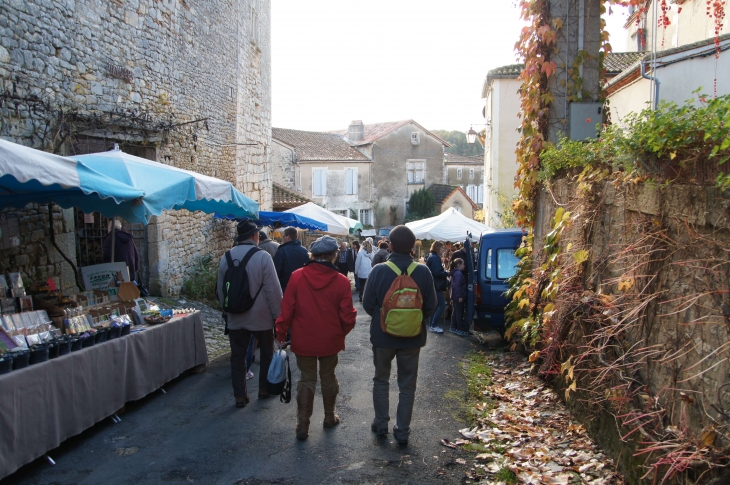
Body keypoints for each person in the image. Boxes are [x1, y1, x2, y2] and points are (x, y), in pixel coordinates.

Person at [275, 235, 357, 440]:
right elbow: (348, 317)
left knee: (307, 379)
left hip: (303, 339)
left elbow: (286, 310)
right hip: (330, 339)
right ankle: (329, 417)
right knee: (328, 376)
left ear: (313, 254)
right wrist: (339, 333)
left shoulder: (296, 276)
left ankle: (303, 425)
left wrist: (281, 334)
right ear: (333, 255)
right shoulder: (341, 281)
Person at [363, 225, 437, 446]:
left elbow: (368, 305)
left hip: (383, 337)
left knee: (381, 379)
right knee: (407, 384)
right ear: (413, 247)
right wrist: (413, 320)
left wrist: (384, 318)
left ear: (391, 246)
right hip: (412, 337)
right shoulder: (423, 271)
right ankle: (402, 429)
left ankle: (381, 422)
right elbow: (431, 306)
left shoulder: (378, 270)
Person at [217, 219, 283, 408]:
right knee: (267, 354)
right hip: (261, 317)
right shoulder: (263, 257)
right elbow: (273, 290)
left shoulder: (226, 257)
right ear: (255, 236)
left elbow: (221, 290)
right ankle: (263, 389)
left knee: (237, 356)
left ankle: (240, 396)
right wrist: (279, 316)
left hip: (236, 317)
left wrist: (227, 310)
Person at [273, 227, 310, 294]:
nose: (283, 238)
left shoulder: (282, 251)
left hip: (285, 288)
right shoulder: (304, 251)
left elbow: (276, 272)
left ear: (288, 237)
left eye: (283, 236)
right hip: (301, 288)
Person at [425, 241, 449, 334]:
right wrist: (447, 273)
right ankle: (433, 325)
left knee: (436, 306)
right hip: (436, 284)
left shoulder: (431, 256)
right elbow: (437, 273)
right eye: (442, 248)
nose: (443, 249)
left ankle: (432, 325)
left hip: (433, 284)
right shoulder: (435, 258)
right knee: (442, 305)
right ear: (437, 248)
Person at [449, 258, 469, 336]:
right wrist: (459, 296)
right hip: (458, 297)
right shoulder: (458, 274)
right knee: (459, 313)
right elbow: (456, 286)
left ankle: (453, 327)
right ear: (459, 265)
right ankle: (459, 329)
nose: (464, 266)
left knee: (455, 311)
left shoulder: (455, 273)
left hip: (454, 296)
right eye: (463, 264)